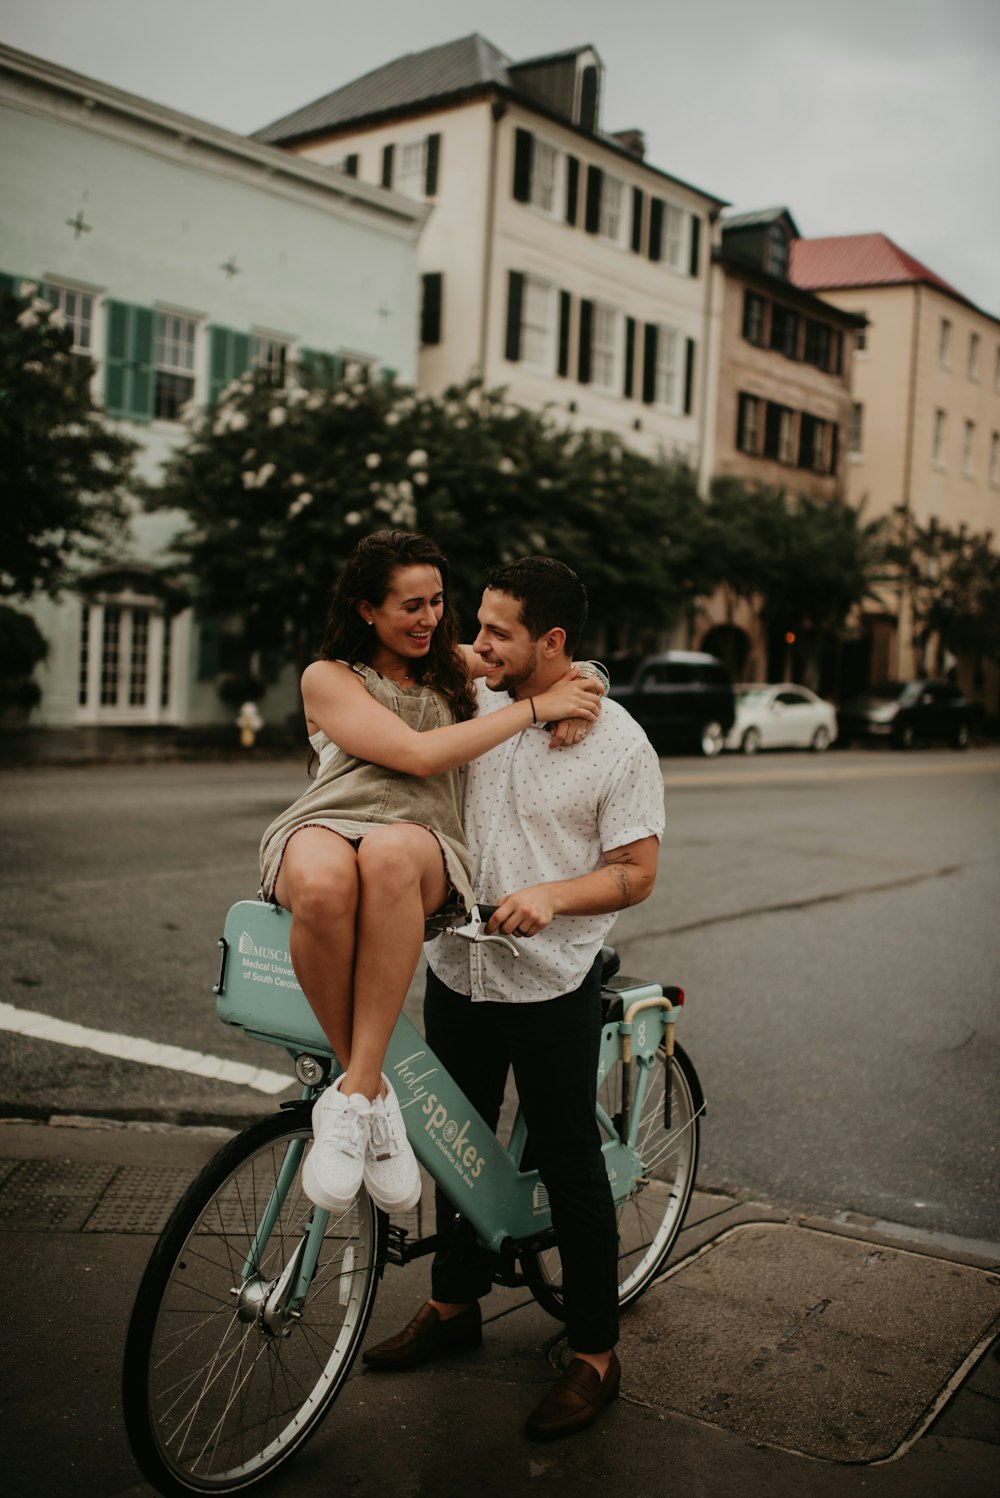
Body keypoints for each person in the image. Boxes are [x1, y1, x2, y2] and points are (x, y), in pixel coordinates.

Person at [363, 557, 665, 1441]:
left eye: (497, 630)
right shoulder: (475, 691)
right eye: (477, 623)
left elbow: (638, 875)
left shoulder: (618, 743)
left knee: (569, 1161)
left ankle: (596, 1356)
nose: (474, 641)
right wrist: (567, 680)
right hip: (459, 963)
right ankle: (454, 1307)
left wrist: (553, 898)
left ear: (554, 642)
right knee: (455, 1144)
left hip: (551, 980)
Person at [258, 532, 600, 1221]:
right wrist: (538, 711)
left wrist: (588, 684)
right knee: (322, 887)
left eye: (438, 603)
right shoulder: (329, 677)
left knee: (385, 854)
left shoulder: (451, 663)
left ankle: (353, 1094)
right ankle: (369, 1096)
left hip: (420, 839)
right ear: (366, 611)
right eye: (411, 606)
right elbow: (414, 754)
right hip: (328, 819)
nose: (429, 619)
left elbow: (547, 658)